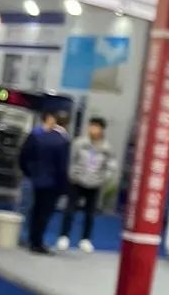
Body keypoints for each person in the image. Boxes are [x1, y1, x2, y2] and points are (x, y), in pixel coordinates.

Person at [57, 115, 117, 253]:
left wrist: (103, 179)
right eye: (91, 126)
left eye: (95, 127)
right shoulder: (80, 143)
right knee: (70, 210)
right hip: (77, 181)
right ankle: (64, 237)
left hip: (95, 184)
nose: (92, 129)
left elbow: (111, 166)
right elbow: (71, 160)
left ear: (101, 129)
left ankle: (85, 239)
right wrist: (72, 175)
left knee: (90, 213)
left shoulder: (107, 147)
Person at [19, 109, 70, 254]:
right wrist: (63, 187)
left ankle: (30, 239)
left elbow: (23, 156)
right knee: (44, 213)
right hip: (52, 182)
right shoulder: (63, 141)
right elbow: (62, 166)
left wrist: (29, 172)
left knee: (33, 210)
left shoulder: (38, 136)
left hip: (35, 179)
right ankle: (37, 242)